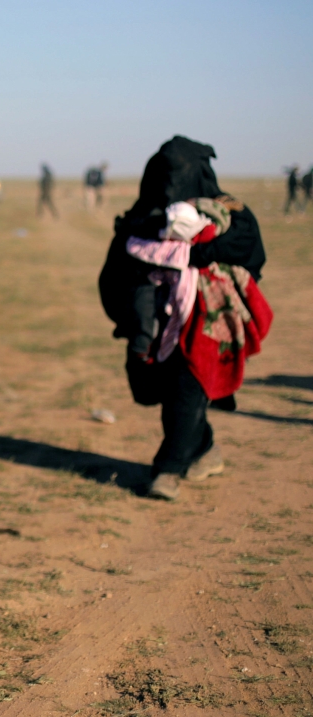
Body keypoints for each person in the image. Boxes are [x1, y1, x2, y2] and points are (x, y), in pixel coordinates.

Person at [99, 136, 269, 501]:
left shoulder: (230, 214)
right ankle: (204, 450)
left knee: (187, 388)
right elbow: (117, 274)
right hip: (156, 329)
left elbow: (250, 254)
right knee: (172, 396)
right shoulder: (143, 219)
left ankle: (167, 471)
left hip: (207, 326)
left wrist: (194, 255)